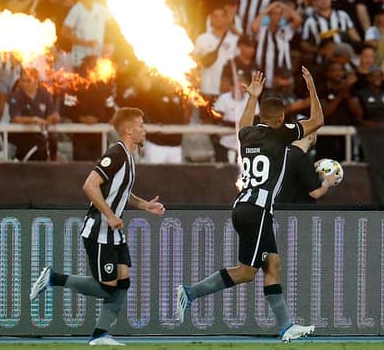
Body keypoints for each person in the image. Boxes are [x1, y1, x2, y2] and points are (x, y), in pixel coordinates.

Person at [177, 68, 323, 342]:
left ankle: (286, 327)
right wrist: (312, 88)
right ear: (281, 119)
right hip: (257, 211)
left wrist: (252, 97)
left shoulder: (248, 136)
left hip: (245, 206)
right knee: (246, 272)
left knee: (273, 264)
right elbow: (318, 120)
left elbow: (240, 125)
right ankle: (191, 292)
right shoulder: (281, 134)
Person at [29, 107, 166, 346]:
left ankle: (100, 335)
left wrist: (145, 205)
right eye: (141, 125)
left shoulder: (129, 157)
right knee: (107, 288)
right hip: (99, 231)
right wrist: (111, 215)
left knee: (123, 282)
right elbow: (90, 186)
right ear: (129, 130)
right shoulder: (116, 153)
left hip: (113, 233)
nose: (145, 130)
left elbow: (121, 191)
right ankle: (53, 278)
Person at [275, 132, 337, 204]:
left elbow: (293, 172)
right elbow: (315, 192)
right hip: (296, 211)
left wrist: (311, 166)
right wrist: (327, 181)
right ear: (311, 136)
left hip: (279, 209)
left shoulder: (285, 152)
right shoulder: (301, 157)